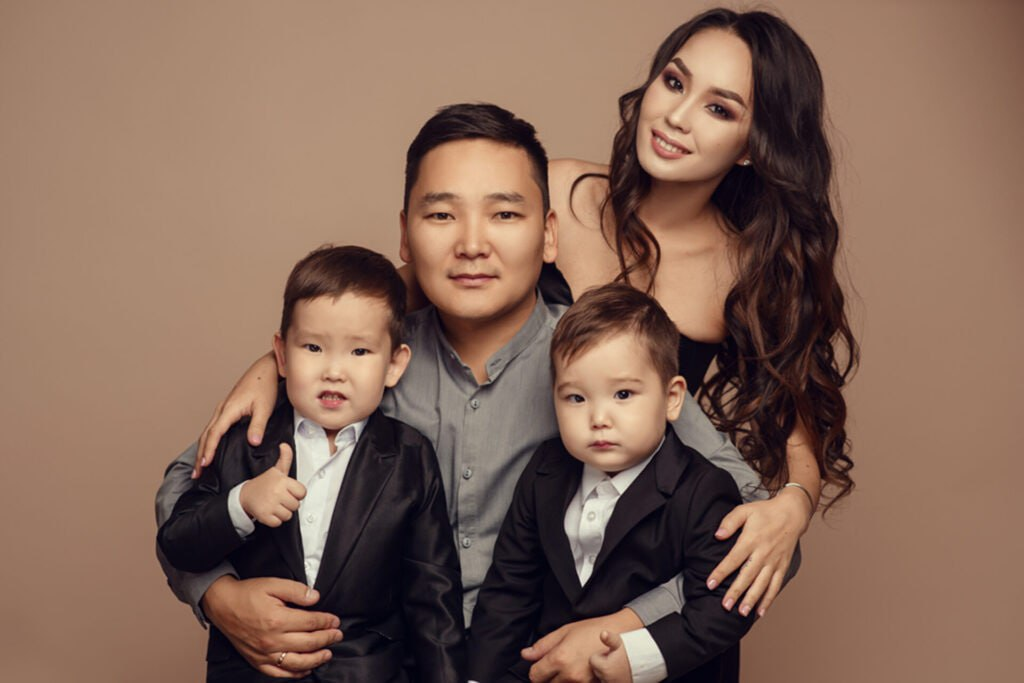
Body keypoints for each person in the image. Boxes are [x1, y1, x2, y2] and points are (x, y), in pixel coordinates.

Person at [156, 103, 770, 680]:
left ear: (549, 235)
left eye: (505, 214)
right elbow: (184, 490)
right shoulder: (359, 361)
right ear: (404, 236)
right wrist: (217, 596)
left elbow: (756, 533)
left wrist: (623, 629)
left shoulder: (603, 363)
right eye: (441, 215)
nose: (472, 244)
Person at [543, 7, 858, 615]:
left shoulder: (745, 274)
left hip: (635, 571)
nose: (677, 116)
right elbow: (391, 311)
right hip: (512, 542)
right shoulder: (557, 191)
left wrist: (793, 506)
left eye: (719, 109)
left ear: (752, 148)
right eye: (674, 82)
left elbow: (800, 427)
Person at [158, 245, 465, 682]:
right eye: (314, 347)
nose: (334, 371)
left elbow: (433, 593)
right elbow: (178, 543)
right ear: (282, 356)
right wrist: (241, 504)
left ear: (394, 365)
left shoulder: (410, 456)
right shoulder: (246, 440)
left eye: (360, 352)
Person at [469, 283, 754, 683]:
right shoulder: (545, 471)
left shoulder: (705, 489)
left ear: (672, 398)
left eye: (622, 394)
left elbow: (721, 605)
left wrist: (636, 661)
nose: (598, 418)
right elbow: (509, 590)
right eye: (576, 398)